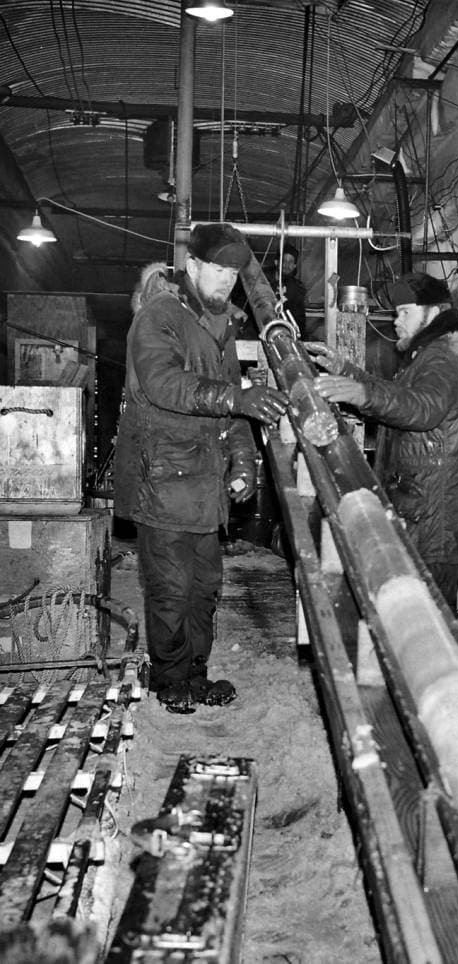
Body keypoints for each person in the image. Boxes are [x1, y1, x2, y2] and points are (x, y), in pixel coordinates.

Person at [114, 223, 288, 714]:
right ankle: (170, 678)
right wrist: (236, 398)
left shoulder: (221, 324)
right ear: (191, 266)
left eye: (234, 273)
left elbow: (234, 403)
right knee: (170, 586)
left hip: (204, 482)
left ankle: (195, 673)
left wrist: (243, 461)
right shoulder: (160, 316)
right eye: (218, 269)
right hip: (163, 477)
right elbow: (164, 384)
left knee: (205, 586)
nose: (227, 280)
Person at [307, 271, 458, 613]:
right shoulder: (428, 354)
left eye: (405, 312)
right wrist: (345, 369)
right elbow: (398, 395)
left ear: (434, 313)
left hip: (433, 519)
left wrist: (362, 394)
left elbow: (421, 408)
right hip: (424, 510)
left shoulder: (442, 359)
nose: (396, 322)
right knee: (417, 616)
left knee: (424, 622)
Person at [266, 242, 315, 338]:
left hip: (288, 336)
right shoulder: (264, 282)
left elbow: (299, 320)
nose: (287, 265)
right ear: (276, 262)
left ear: (294, 266)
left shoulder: (297, 289)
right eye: (284, 260)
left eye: (291, 262)